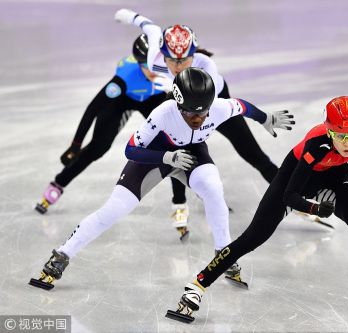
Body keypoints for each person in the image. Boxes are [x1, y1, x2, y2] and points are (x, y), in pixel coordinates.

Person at [167, 96, 348, 323]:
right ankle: (197, 286)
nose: (347, 143)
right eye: (340, 136)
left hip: (334, 175)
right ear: (329, 132)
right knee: (253, 237)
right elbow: (290, 195)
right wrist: (316, 209)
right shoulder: (316, 146)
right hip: (295, 177)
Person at [29, 67, 294, 291]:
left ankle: (223, 255)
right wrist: (167, 158)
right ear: (178, 104)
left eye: (203, 114)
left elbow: (243, 106)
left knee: (214, 188)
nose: (198, 120)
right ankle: (62, 254)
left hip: (192, 156)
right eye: (191, 114)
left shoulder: (219, 108)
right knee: (115, 209)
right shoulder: (163, 113)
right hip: (154, 157)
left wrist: (266, 119)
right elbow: (130, 150)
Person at [114, 9, 281, 239]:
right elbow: (150, 28)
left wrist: (259, 117)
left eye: (184, 60)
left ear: (194, 55)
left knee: (253, 153)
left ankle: (288, 192)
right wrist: (127, 15)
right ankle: (179, 204)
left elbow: (213, 105)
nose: (178, 66)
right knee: (175, 149)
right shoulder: (155, 60)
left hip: (213, 103)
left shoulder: (207, 66)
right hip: (181, 101)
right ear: (163, 54)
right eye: (172, 60)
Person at [35, 34, 168, 214]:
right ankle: (58, 183)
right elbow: (93, 109)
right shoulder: (124, 79)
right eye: (146, 65)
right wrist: (75, 145)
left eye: (156, 64)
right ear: (138, 63)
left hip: (152, 98)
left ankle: (195, 186)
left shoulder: (169, 68)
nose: (153, 70)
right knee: (99, 147)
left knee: (171, 137)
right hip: (123, 99)